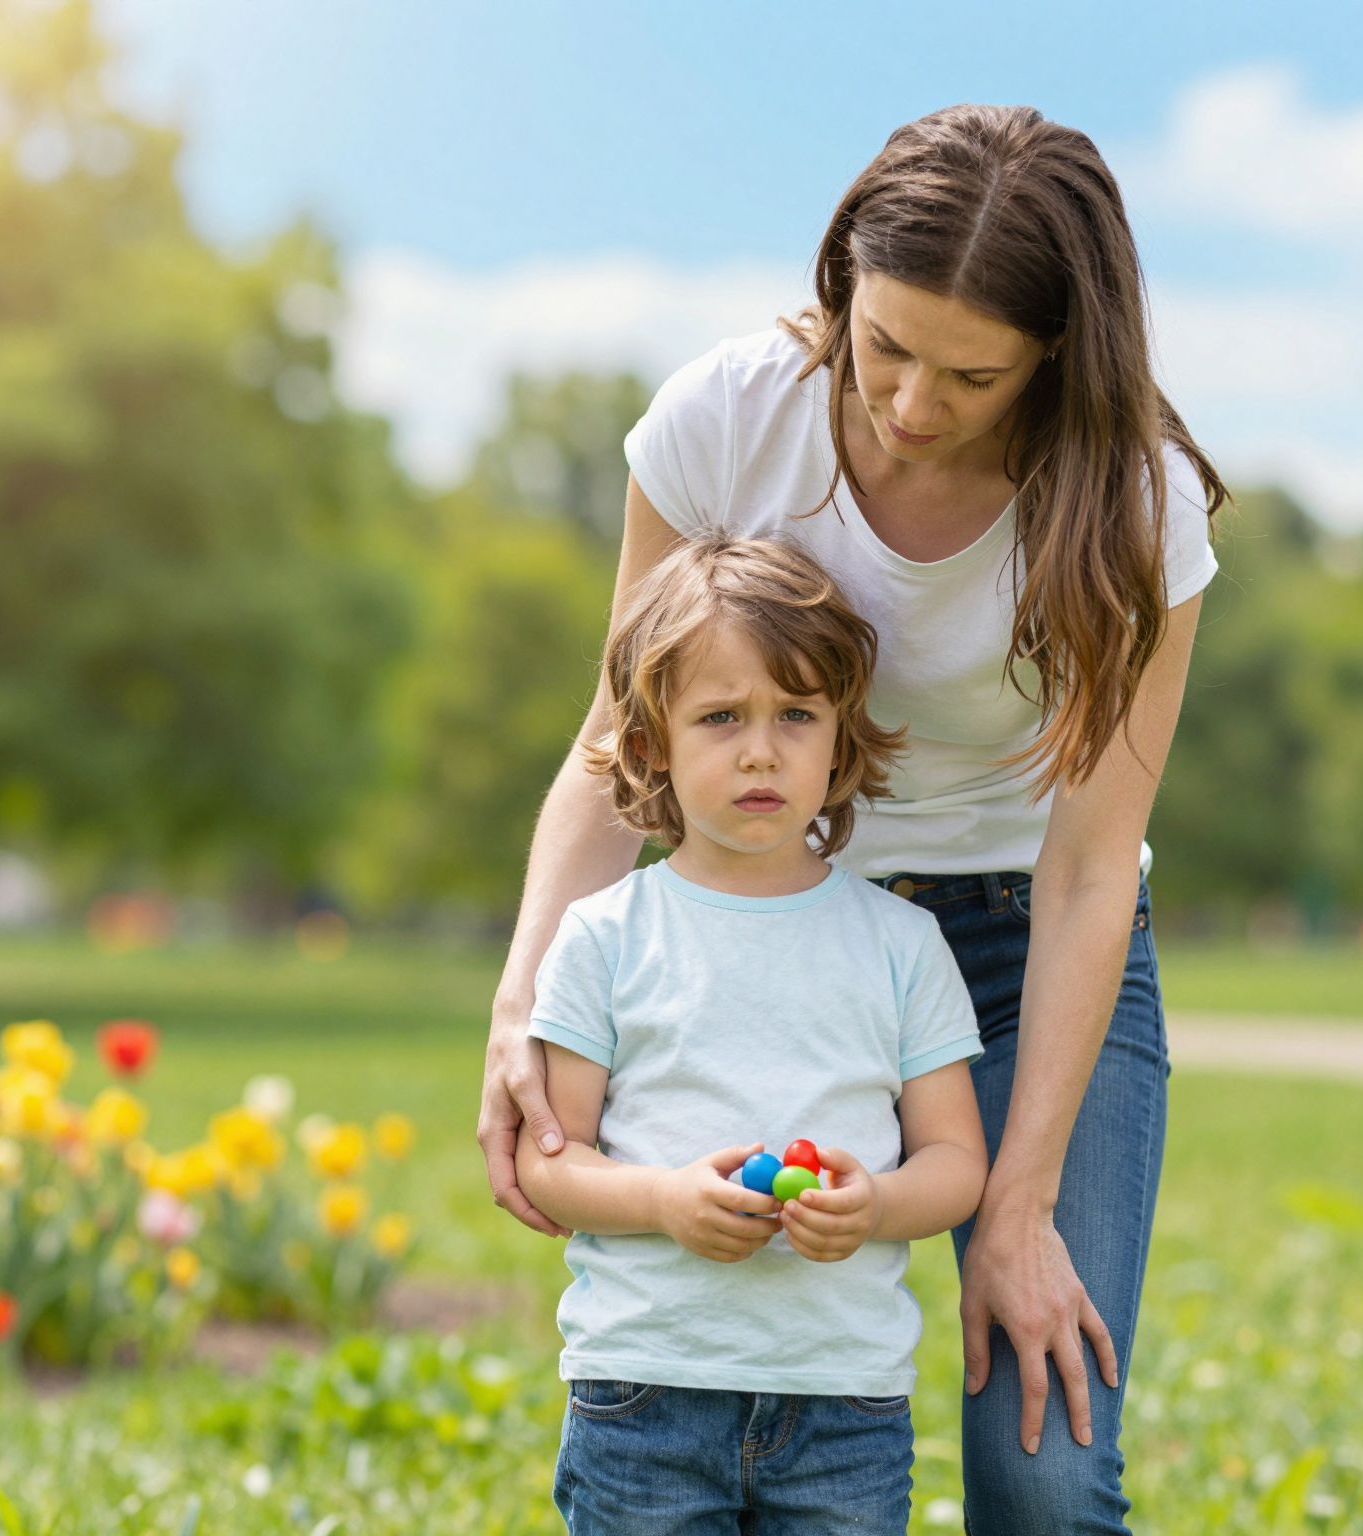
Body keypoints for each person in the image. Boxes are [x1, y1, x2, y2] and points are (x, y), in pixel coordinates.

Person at [484, 102, 1228, 1534]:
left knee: (1049, 1464)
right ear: (839, 283)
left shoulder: (1139, 506)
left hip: (1029, 947)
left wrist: (1012, 1212)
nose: (907, 403)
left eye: (971, 374)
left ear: (1059, 354)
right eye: (882, 345)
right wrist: (526, 993)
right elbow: (611, 744)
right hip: (781, 926)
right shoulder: (726, 417)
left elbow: (1087, 871)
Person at [516, 529, 990, 1533]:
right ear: (649, 743)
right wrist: (662, 1199)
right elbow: (552, 1161)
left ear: (839, 738)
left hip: (843, 1403)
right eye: (719, 716)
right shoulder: (604, 936)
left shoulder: (901, 944)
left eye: (796, 713)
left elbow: (955, 1161)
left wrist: (876, 1203)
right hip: (644, 1392)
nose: (761, 749)